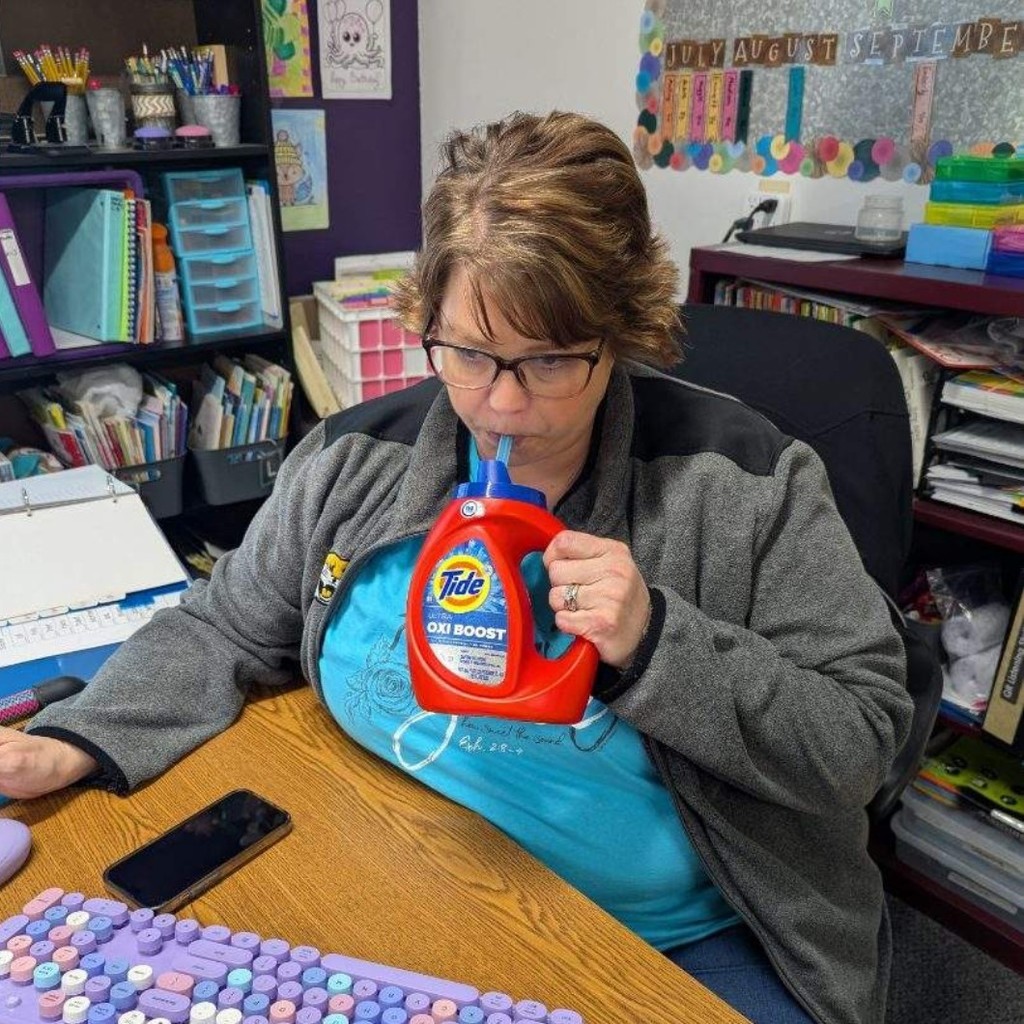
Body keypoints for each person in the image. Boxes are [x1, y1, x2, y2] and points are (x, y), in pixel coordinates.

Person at [0, 111, 912, 1024]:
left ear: (622, 331)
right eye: (470, 354)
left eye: (550, 360)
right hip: (403, 864)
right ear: (424, 320)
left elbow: (859, 741)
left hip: (672, 941)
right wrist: (81, 735)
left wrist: (658, 642)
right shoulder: (354, 461)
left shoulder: (747, 486)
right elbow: (226, 622)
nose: (502, 405)